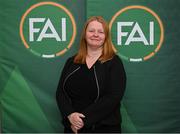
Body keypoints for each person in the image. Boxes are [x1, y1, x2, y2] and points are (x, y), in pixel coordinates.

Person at [56, 16, 126, 133]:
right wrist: (70, 115)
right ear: (85, 34)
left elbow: (113, 97)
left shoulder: (114, 62)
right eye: (91, 31)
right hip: (73, 128)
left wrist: (82, 120)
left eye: (100, 32)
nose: (96, 34)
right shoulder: (71, 62)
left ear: (106, 37)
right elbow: (60, 93)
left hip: (105, 128)